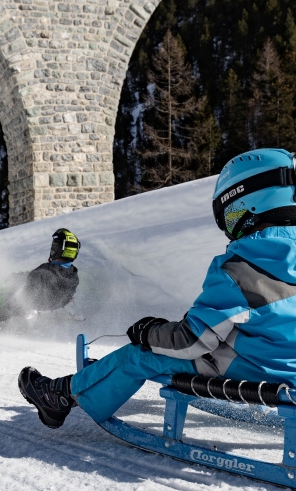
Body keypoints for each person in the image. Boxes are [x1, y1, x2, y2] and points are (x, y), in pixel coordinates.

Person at [18, 148, 296, 428]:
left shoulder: (238, 269)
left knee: (140, 356)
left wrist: (148, 332)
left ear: (247, 204)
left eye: (230, 212)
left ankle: (60, 396)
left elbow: (192, 341)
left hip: (259, 372)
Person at [0, 228, 80, 333]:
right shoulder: (73, 277)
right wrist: (24, 276)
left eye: (55, 246)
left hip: (21, 320)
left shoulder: (40, 276)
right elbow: (52, 275)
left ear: (57, 250)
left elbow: (19, 304)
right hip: (50, 313)